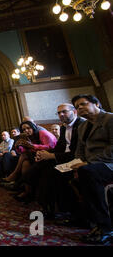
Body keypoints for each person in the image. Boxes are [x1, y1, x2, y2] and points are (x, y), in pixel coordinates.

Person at [24, 103, 85, 220]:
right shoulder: (63, 127)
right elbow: (59, 147)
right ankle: (46, 206)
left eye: (64, 111)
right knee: (37, 169)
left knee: (50, 173)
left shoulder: (82, 125)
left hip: (76, 159)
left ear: (75, 112)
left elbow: (77, 152)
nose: (61, 114)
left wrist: (51, 155)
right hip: (63, 157)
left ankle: (53, 208)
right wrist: (43, 155)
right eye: (59, 113)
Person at [70, 94, 113, 245]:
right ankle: (86, 220)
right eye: (77, 107)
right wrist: (76, 163)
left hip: (109, 163)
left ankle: (106, 228)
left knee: (87, 172)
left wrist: (88, 163)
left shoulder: (110, 119)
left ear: (97, 104)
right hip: (89, 165)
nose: (80, 108)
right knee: (63, 173)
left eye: (83, 104)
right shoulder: (82, 126)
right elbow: (79, 150)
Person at [2, 120, 57, 202]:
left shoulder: (43, 133)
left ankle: (15, 176)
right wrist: (19, 146)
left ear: (33, 127)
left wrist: (32, 146)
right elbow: (23, 151)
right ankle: (27, 192)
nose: (26, 131)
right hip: (37, 156)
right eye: (24, 130)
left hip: (50, 157)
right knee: (25, 163)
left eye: (28, 128)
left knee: (25, 156)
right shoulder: (28, 137)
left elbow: (51, 147)